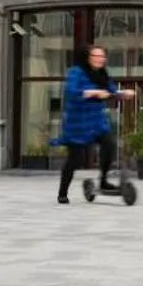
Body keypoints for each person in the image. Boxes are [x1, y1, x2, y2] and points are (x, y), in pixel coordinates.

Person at [54, 44, 130, 204]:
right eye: (96, 56)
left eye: (102, 56)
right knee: (76, 159)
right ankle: (63, 192)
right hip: (77, 122)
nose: (100, 59)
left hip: (96, 121)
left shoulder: (102, 74)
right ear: (88, 58)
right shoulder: (76, 72)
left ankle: (103, 181)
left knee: (109, 144)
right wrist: (92, 92)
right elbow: (72, 92)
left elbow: (111, 91)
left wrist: (123, 94)